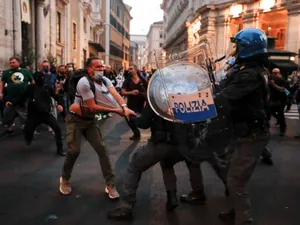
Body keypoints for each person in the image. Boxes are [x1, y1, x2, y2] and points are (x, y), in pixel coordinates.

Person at [107, 100, 227, 220]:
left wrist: (131, 116)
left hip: (163, 143)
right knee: (190, 162)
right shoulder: (190, 92)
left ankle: (126, 207)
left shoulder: (157, 95)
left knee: (135, 167)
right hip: (187, 142)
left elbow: (143, 123)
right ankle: (198, 192)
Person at [59, 57, 136, 199]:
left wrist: (124, 107)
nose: (102, 69)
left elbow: (116, 95)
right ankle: (65, 178)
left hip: (89, 121)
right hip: (76, 120)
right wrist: (117, 111)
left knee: (102, 149)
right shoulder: (84, 82)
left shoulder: (105, 80)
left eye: (102, 66)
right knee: (74, 151)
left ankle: (110, 184)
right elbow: (93, 106)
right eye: (98, 67)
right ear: (89, 69)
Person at [217, 28, 270, 225]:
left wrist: (196, 105)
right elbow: (224, 89)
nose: (235, 49)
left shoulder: (249, 74)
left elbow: (224, 98)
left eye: (238, 45)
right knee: (230, 171)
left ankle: (243, 219)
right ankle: (235, 210)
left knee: (236, 181)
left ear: (247, 47)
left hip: (252, 134)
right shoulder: (249, 70)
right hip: (243, 131)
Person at [24, 72, 66, 156]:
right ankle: (28, 138)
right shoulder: (31, 87)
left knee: (57, 128)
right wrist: (12, 102)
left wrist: (59, 104)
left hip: (46, 113)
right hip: (34, 114)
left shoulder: (47, 87)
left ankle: (60, 149)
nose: (39, 79)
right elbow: (23, 97)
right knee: (28, 130)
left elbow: (55, 96)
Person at [0, 57, 34, 136]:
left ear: (18, 63)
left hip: (23, 98)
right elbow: (2, 83)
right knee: (7, 114)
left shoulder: (26, 71)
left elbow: (32, 82)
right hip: (10, 98)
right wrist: (0, 92)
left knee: (25, 115)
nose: (11, 64)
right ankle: (10, 130)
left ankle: (30, 129)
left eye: (13, 62)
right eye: (10, 62)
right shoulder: (6, 72)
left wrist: (33, 93)